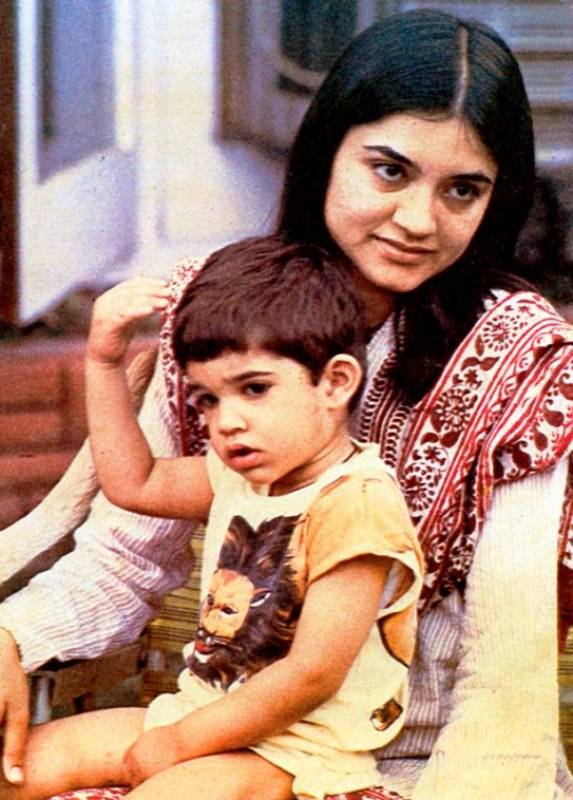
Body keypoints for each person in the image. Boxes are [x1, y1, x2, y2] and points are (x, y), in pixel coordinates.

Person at [2, 7, 573, 798]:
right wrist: (12, 634)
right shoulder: (230, 311)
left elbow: (505, 672)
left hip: (417, 764)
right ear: (326, 153)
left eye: (461, 190)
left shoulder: (523, 360)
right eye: (389, 170)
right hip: (211, 721)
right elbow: (125, 550)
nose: (417, 220)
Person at [0, 237, 422, 800]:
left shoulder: (357, 504)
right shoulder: (241, 477)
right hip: (197, 715)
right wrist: (103, 362)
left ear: (335, 383)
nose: (226, 422)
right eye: (207, 400)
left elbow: (312, 674)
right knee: (26, 763)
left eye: (253, 389)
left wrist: (177, 745)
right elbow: (133, 482)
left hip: (293, 750)